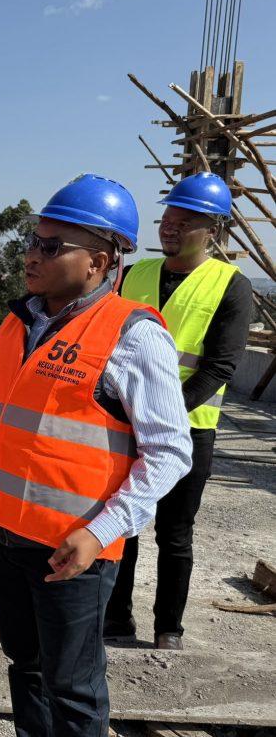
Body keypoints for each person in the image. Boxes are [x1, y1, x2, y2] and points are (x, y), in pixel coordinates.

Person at [0, 174, 193, 736]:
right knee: (27, 668)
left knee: (73, 691)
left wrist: (101, 531)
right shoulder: (18, 322)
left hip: (71, 551)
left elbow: (170, 453)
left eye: (50, 246)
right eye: (31, 242)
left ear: (97, 261)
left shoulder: (133, 336)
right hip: (1, 536)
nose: (31, 256)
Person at [105, 172, 253, 650]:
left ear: (211, 228)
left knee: (174, 534)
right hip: (123, 423)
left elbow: (219, 367)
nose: (169, 226)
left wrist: (161, 413)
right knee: (121, 524)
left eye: (183, 220)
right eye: (167, 216)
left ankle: (168, 629)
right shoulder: (135, 274)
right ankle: (115, 619)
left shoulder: (230, 285)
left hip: (190, 429)